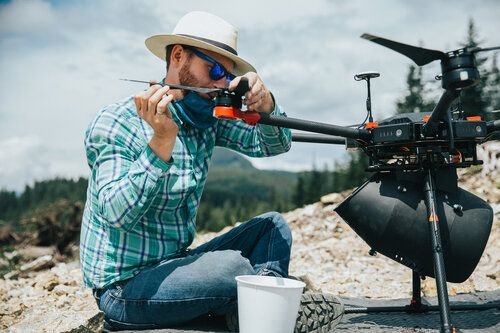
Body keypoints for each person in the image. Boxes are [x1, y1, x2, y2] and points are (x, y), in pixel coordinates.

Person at [80, 11, 343, 332]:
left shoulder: (205, 120)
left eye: (228, 76)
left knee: (272, 226)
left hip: (176, 263)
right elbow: (116, 214)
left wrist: (266, 105)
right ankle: (265, 307)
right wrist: (162, 142)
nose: (221, 83)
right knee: (229, 268)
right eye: (215, 69)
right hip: (124, 288)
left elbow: (273, 146)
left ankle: (256, 309)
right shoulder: (116, 121)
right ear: (178, 57)